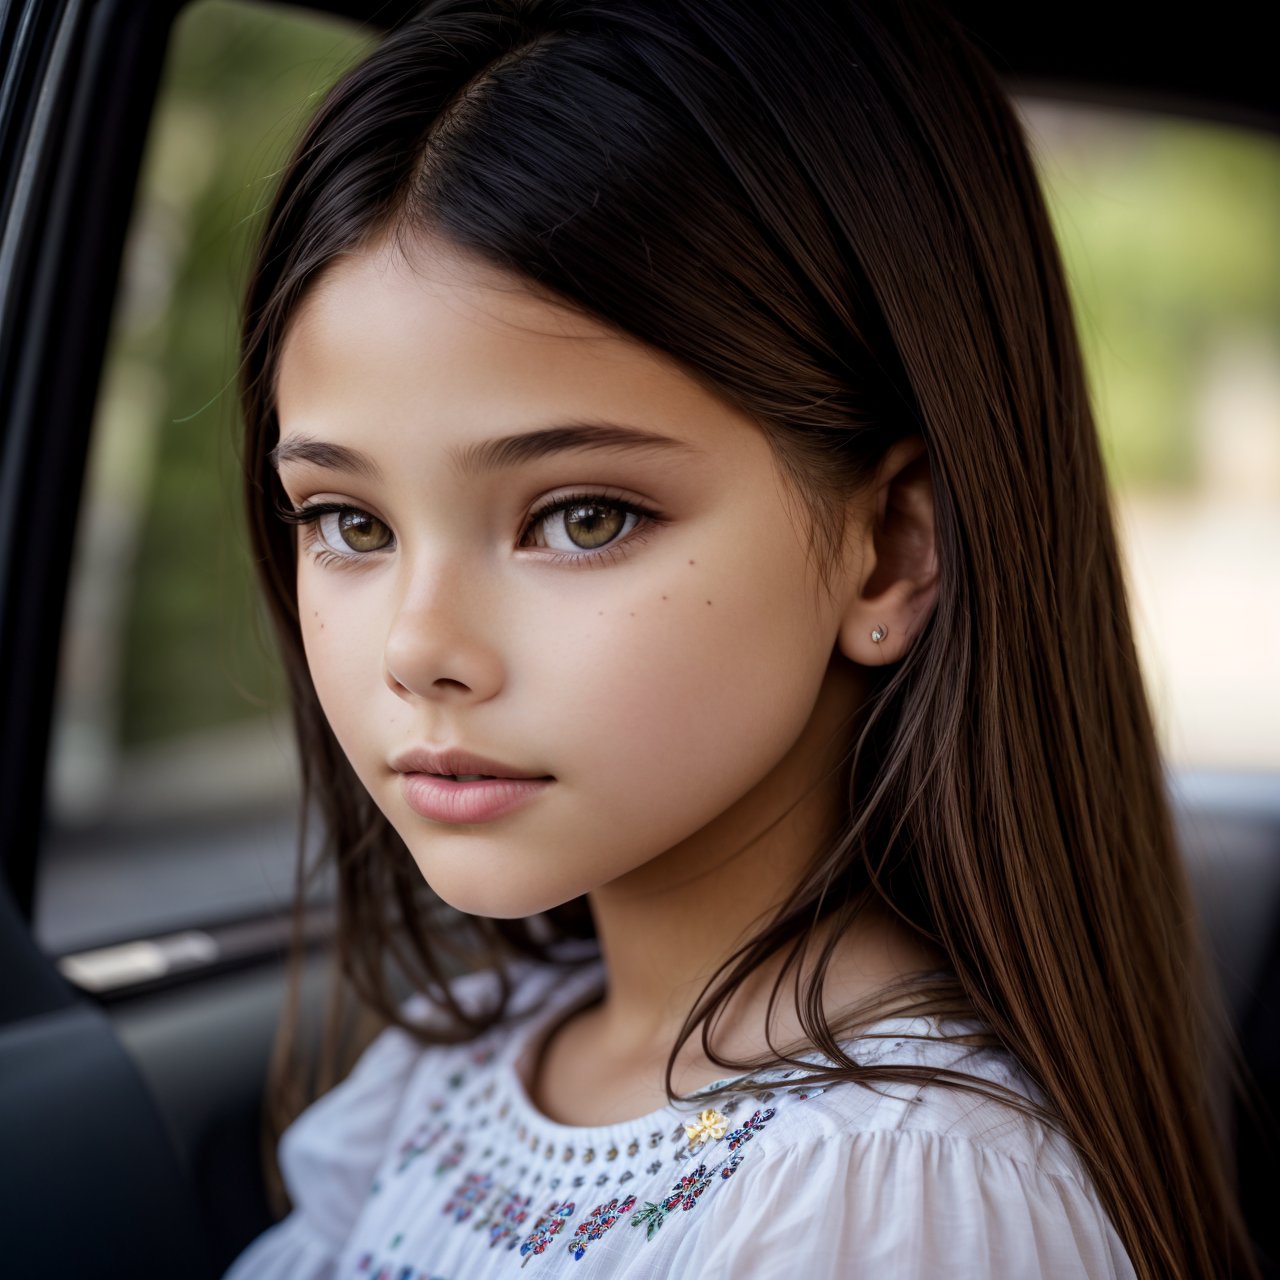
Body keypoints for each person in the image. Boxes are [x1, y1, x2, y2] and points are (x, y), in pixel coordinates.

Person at [221, 0, 1259, 1275]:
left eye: (581, 516)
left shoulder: (892, 1194)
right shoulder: (452, 1069)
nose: (418, 646)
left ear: (890, 549)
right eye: (348, 522)